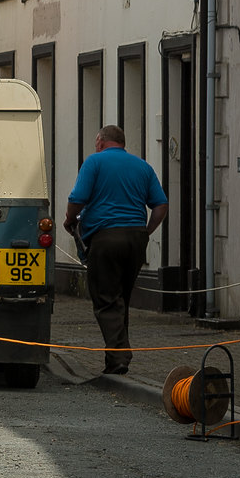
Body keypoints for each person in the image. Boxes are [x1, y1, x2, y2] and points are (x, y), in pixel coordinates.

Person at [65, 125, 168, 375]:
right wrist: (145, 232)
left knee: (106, 299)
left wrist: (70, 219)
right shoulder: (143, 167)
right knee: (121, 297)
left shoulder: (95, 162)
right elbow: (161, 205)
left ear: (100, 141)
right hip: (135, 239)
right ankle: (115, 357)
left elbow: (78, 198)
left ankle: (120, 357)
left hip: (105, 238)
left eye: (95, 141)